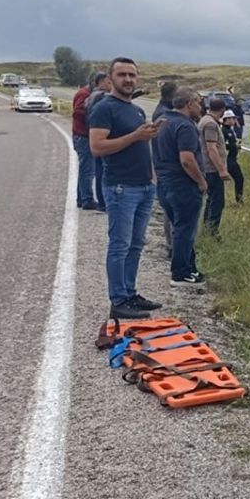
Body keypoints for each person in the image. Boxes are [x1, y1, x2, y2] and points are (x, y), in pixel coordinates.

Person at [89, 57, 164, 319]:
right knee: (120, 245)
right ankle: (118, 300)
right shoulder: (104, 108)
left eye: (132, 75)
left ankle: (130, 293)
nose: (128, 79)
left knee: (135, 244)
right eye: (122, 75)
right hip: (121, 187)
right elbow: (97, 148)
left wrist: (152, 175)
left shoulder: (136, 109)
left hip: (144, 186)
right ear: (111, 79)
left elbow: (142, 145)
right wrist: (136, 136)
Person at [152, 88, 208, 285]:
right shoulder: (185, 126)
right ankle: (180, 272)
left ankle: (190, 267)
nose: (201, 107)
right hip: (183, 184)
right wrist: (201, 181)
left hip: (165, 183)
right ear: (189, 104)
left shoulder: (162, 122)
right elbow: (186, 159)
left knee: (178, 226)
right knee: (185, 229)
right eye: (198, 103)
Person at [198, 97, 230, 236]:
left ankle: (207, 227)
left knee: (211, 199)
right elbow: (212, 148)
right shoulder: (210, 124)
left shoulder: (205, 120)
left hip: (207, 167)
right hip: (212, 169)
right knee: (217, 201)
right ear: (222, 110)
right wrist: (222, 169)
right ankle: (212, 230)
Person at [85, 73, 114, 211]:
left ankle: (101, 201)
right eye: (108, 83)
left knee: (98, 169)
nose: (110, 85)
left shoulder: (92, 95)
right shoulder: (101, 97)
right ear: (101, 83)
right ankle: (103, 202)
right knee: (101, 171)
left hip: (92, 134)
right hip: (101, 137)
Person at [70, 76, 99, 210]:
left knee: (85, 169)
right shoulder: (84, 94)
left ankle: (81, 198)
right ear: (93, 82)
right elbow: (77, 112)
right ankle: (87, 199)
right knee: (87, 170)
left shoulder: (89, 94)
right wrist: (93, 115)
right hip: (83, 136)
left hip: (83, 135)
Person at [222, 110, 245, 203]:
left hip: (232, 157)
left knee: (240, 178)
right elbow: (222, 145)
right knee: (239, 177)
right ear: (227, 119)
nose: (234, 120)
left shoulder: (231, 130)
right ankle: (239, 199)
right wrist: (234, 146)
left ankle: (239, 198)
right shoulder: (223, 130)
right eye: (233, 118)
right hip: (227, 158)